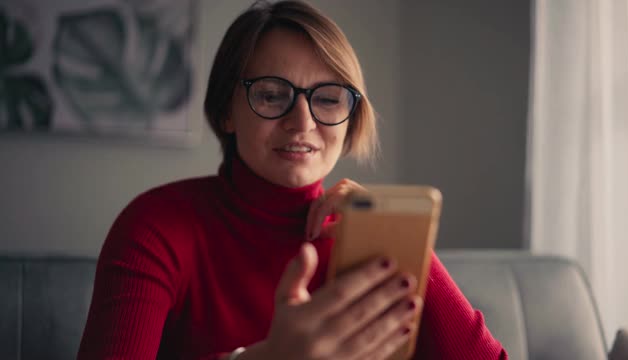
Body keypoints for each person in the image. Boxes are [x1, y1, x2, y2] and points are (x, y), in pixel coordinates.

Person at [78, 1, 508, 359]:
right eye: (270, 94)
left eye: (326, 98)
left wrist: (404, 237)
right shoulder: (156, 225)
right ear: (227, 110)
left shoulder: (368, 237)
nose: (302, 122)